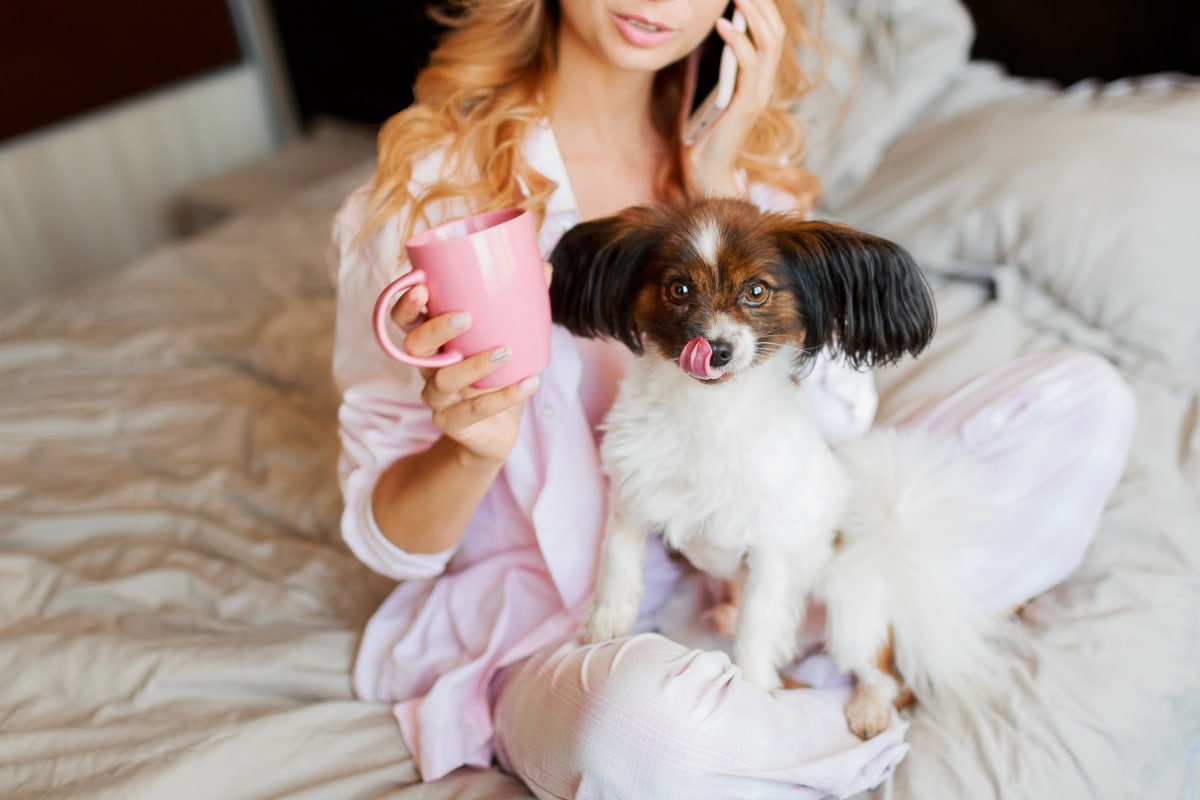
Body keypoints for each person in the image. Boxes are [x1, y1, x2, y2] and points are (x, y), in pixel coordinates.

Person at [328, 0, 1136, 797]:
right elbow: (388, 540)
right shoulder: (428, 201)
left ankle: (793, 690)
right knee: (643, 729)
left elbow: (840, 424)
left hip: (768, 542)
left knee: (1083, 402)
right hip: (571, 630)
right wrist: (469, 449)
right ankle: (837, 702)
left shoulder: (743, 179)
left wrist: (717, 182)